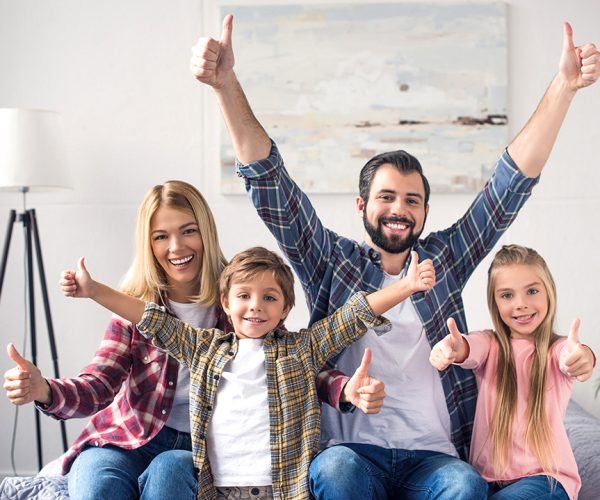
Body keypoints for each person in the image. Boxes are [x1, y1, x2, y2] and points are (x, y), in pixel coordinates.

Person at [190, 15, 599, 499]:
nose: (398, 210)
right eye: (386, 197)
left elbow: (507, 188)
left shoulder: (444, 260)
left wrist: (564, 87)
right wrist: (224, 84)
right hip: (352, 453)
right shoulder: (332, 262)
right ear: (362, 206)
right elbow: (272, 185)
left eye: (412, 200)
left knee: (464, 485)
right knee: (335, 471)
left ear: (425, 211)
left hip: (435, 457)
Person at [59, 246, 435, 500]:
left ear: (286, 308)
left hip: (282, 489)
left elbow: (352, 316)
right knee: (168, 467)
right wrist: (95, 291)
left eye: (269, 298)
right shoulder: (204, 347)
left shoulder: (301, 349)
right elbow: (150, 318)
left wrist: (406, 285)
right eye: (244, 296)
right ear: (226, 302)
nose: (255, 307)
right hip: (217, 490)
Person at [3, 180, 227, 500]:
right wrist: (45, 390)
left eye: (188, 231)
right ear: (148, 245)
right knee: (99, 486)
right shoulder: (133, 307)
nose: (176, 247)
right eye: (161, 236)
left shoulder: (241, 302)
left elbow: (285, 359)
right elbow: (98, 385)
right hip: (125, 440)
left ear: (206, 231)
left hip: (199, 448)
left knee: (168, 474)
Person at [430, 244, 596, 499]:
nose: (521, 304)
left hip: (546, 480)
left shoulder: (557, 349)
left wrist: (583, 357)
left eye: (531, 291)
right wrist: (452, 347)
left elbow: (574, 356)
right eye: (507, 295)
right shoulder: (490, 344)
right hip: (485, 480)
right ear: (494, 302)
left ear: (549, 293)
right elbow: (468, 346)